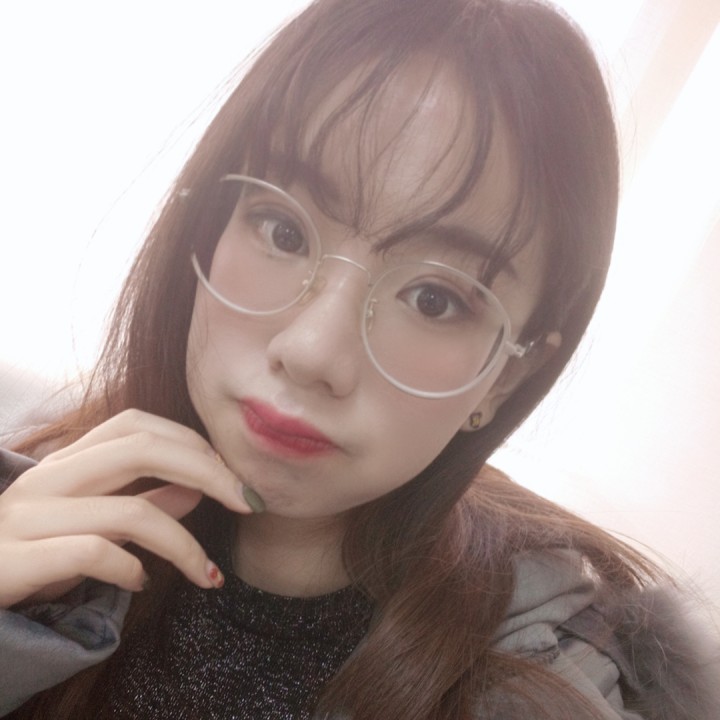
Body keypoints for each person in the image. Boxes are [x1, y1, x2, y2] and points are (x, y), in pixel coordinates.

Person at [0, 0, 718, 717]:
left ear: (506, 376)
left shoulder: (541, 687)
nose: (312, 352)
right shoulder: (36, 511)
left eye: (434, 300)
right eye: (282, 231)